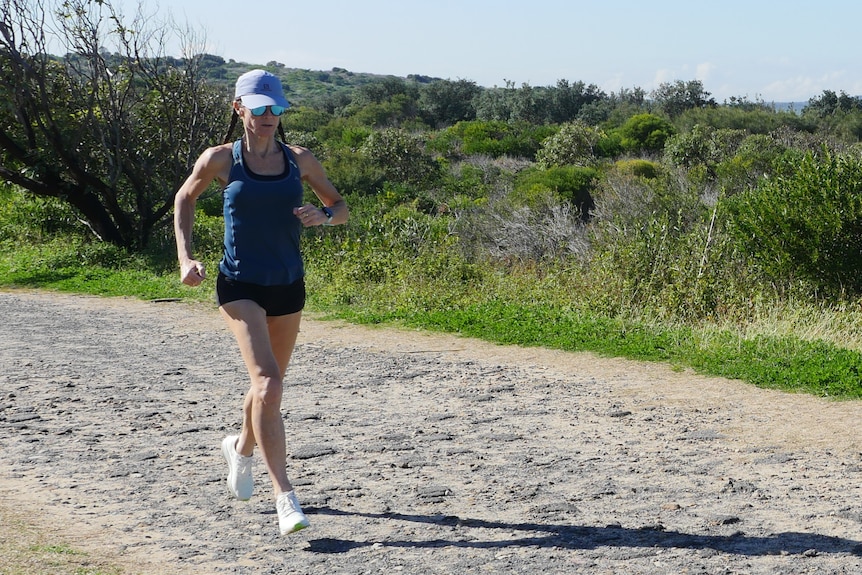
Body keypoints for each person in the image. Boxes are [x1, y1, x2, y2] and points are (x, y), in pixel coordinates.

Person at [173, 69, 347, 536]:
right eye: (259, 107)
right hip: (239, 284)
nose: (269, 116)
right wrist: (186, 256)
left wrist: (323, 215)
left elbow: (339, 205)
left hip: (288, 284)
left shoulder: (300, 160)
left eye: (276, 107)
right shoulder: (220, 159)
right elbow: (185, 198)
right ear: (239, 108)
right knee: (269, 382)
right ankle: (285, 497)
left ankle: (241, 448)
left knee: (266, 386)